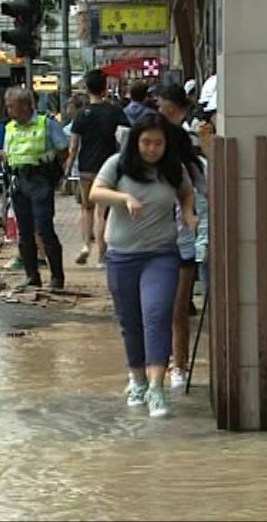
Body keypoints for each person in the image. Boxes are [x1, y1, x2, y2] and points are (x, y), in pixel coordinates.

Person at [89, 112, 197, 418]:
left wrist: (188, 214)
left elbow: (186, 192)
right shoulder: (118, 164)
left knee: (157, 314)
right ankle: (136, 379)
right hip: (122, 256)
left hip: (161, 254)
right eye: (146, 142)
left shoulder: (172, 168)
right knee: (130, 320)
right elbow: (95, 192)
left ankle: (156, 387)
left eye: (158, 143)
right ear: (136, 142)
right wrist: (123, 198)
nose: (152, 149)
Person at [157, 83, 208, 391]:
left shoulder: (191, 168)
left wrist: (201, 238)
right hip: (149, 245)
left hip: (181, 245)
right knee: (154, 309)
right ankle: (153, 367)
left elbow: (202, 199)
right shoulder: (141, 168)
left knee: (177, 308)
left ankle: (179, 365)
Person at [0, 86, 69, 291]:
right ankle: (32, 276)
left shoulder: (46, 124)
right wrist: (4, 156)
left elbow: (63, 149)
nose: (9, 110)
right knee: (25, 232)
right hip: (19, 182)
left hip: (39, 182)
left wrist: (52, 172)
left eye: (13, 106)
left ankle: (57, 277)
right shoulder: (10, 127)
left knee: (45, 229)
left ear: (27, 105)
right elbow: (9, 151)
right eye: (8, 106)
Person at [66, 69, 129, 269]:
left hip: (85, 168)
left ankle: (86, 246)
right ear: (105, 88)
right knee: (103, 211)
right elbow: (125, 136)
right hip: (109, 167)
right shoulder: (115, 111)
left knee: (86, 208)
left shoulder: (81, 115)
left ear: (87, 88)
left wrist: (67, 170)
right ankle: (102, 255)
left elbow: (74, 146)